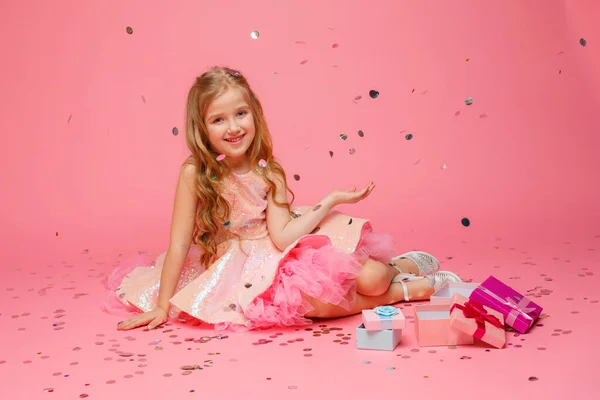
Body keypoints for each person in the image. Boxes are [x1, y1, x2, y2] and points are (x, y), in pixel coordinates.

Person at [106, 66, 462, 332]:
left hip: (280, 251)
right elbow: (180, 242)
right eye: (218, 119)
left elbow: (281, 237)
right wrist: (162, 304)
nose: (233, 128)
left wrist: (331, 200)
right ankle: (408, 291)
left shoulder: (267, 170)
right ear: (202, 128)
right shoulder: (193, 174)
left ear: (255, 113)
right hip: (234, 265)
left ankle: (401, 268)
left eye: (240, 114)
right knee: (314, 305)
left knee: (372, 279)